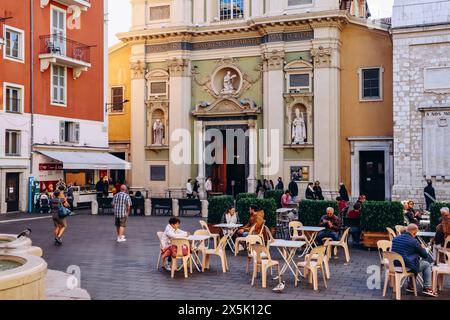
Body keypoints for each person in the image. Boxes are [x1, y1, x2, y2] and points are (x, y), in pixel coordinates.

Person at [392, 224, 437, 297]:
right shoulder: (414, 241)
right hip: (406, 267)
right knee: (426, 264)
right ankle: (427, 288)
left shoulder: (395, 238)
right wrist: (421, 248)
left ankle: (411, 285)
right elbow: (425, 255)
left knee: (413, 261)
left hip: (394, 266)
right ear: (415, 232)